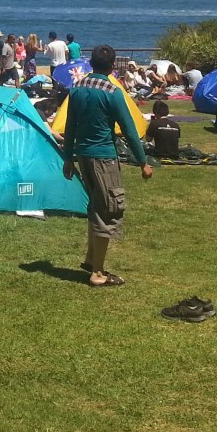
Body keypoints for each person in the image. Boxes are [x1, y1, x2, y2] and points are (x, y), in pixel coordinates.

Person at [61, 44, 154, 286]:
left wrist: (68, 158)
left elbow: (70, 125)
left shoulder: (77, 89)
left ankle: (91, 259)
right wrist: (142, 161)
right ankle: (98, 273)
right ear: (112, 67)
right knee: (108, 210)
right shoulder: (112, 92)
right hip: (104, 158)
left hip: (82, 155)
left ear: (91, 64)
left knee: (95, 206)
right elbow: (129, 130)